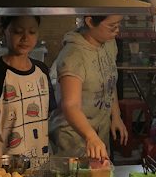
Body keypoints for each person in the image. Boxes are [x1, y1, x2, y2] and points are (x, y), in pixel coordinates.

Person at [0, 16, 56, 160]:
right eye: (18, 31)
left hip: (41, 169)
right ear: (4, 32)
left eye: (32, 32)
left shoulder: (42, 71)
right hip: (5, 172)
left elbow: (48, 115)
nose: (25, 38)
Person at [49, 13, 128, 160]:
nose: (117, 30)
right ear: (90, 22)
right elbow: (70, 106)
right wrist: (90, 136)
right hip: (73, 137)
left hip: (99, 134)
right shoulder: (73, 56)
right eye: (112, 26)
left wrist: (116, 116)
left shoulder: (109, 43)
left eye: (118, 24)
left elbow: (109, 80)